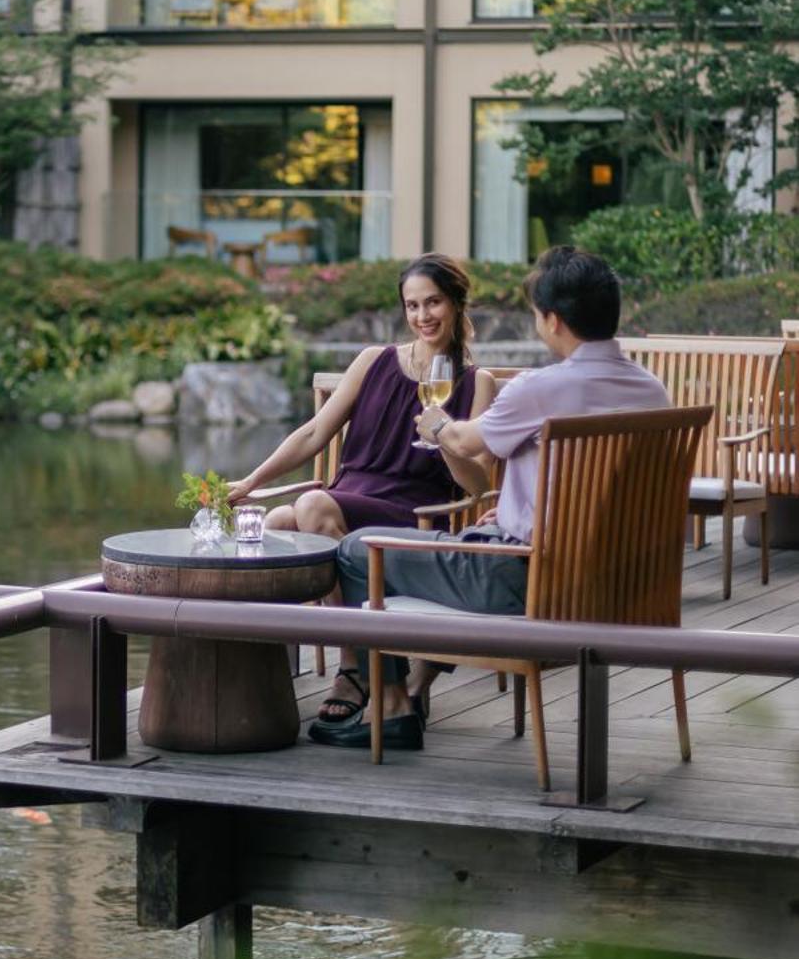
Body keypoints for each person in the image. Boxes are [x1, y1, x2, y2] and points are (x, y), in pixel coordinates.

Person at [324, 244, 671, 755]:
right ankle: (413, 692)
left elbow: (464, 443)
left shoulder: (537, 388)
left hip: (529, 584)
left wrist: (436, 423)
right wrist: (515, 510)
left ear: (552, 321)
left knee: (358, 548)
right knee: (458, 540)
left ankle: (393, 702)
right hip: (623, 585)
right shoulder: (652, 391)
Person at [226, 255, 498, 735]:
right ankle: (253, 678)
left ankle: (354, 665)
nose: (423, 316)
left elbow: (479, 486)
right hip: (347, 501)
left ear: (456, 303)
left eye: (433, 302)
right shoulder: (373, 361)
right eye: (412, 305)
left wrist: (446, 437)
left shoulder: (478, 383)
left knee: (309, 506)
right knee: (274, 522)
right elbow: (314, 434)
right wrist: (252, 482)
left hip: (414, 516)